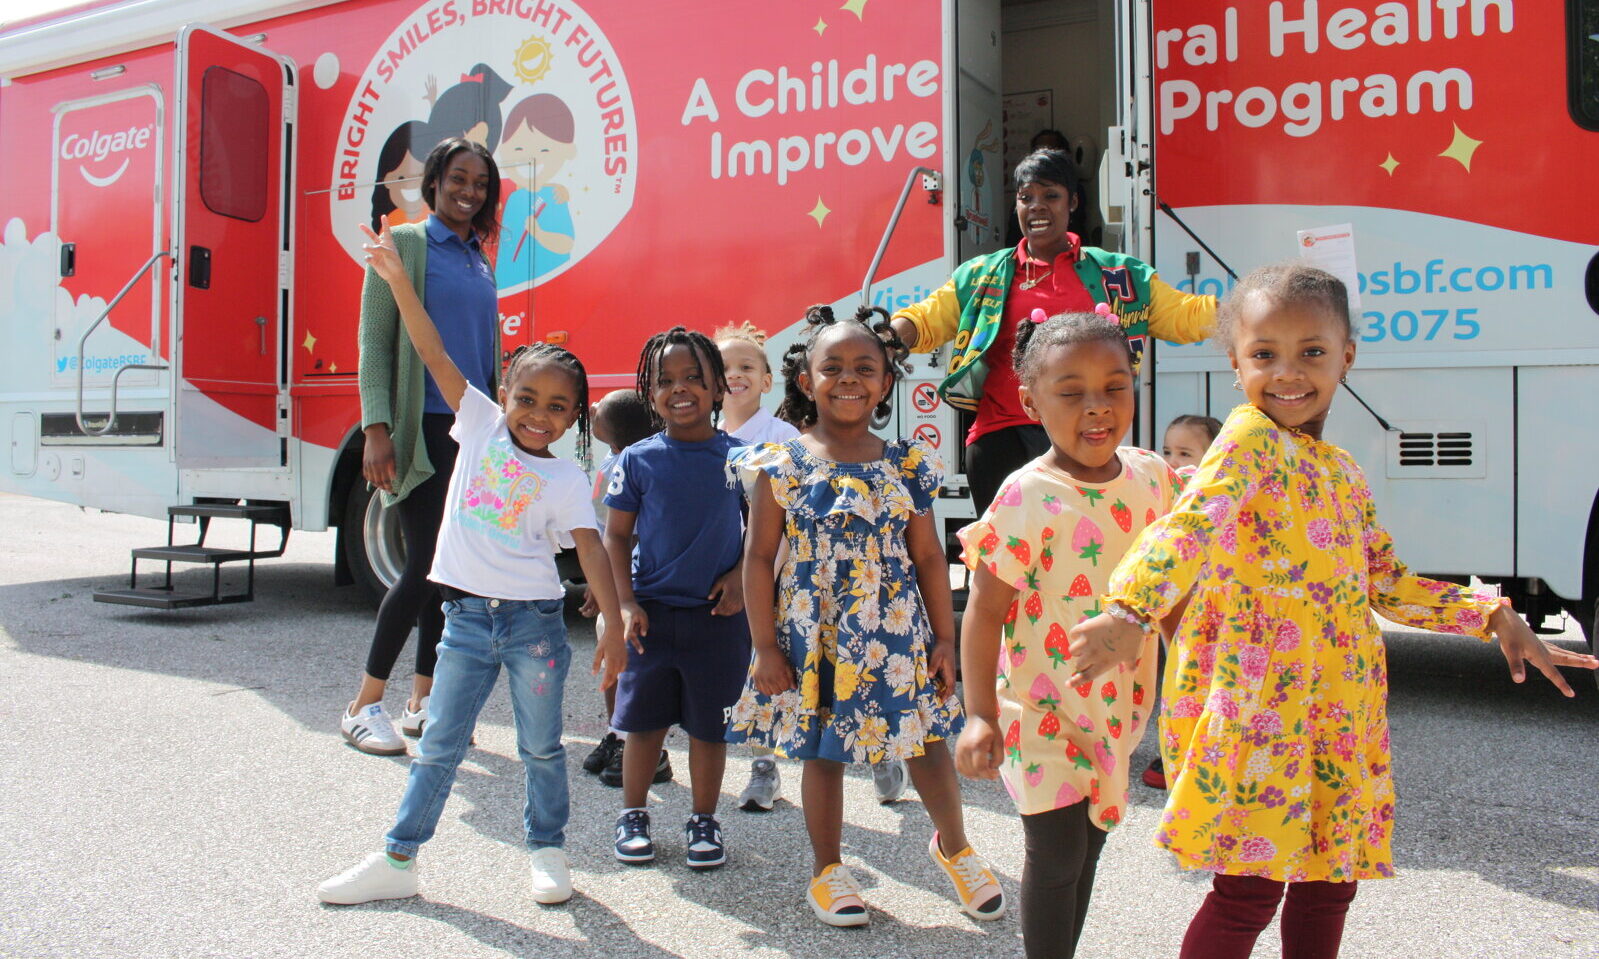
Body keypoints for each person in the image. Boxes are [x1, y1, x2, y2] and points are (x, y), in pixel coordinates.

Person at [1068, 264, 1599, 959]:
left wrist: (1490, 614)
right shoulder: (1248, 441)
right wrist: (1129, 609)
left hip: (1340, 713)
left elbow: (1388, 583)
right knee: (1248, 892)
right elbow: (1186, 525)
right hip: (1260, 712)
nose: (1287, 372)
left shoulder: (1341, 471)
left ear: (1346, 355)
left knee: (1329, 881)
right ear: (1235, 363)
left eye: (1311, 351)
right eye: (1264, 354)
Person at [318, 216, 626, 908]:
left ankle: (546, 850)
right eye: (525, 397)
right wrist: (398, 281)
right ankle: (399, 858)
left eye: (555, 406)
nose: (536, 415)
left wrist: (612, 621)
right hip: (462, 624)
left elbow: (590, 548)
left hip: (534, 629)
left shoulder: (567, 480)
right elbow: (430, 352)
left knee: (542, 750)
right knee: (439, 747)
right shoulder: (480, 421)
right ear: (504, 392)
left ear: (576, 415)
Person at [726, 305, 1005, 928]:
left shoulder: (905, 465)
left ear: (885, 383)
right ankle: (828, 870)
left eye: (864, 368)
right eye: (833, 367)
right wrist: (765, 646)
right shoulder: (783, 463)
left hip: (896, 635)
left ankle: (954, 847)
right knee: (823, 751)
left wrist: (944, 639)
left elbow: (931, 557)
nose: (848, 378)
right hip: (815, 640)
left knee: (926, 742)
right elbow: (759, 558)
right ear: (806, 381)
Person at [955, 306, 1181, 958]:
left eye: (1113, 386)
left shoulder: (1152, 479)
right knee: (1054, 855)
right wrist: (978, 717)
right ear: (1029, 400)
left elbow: (1170, 590)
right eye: (1071, 391)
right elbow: (983, 611)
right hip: (1037, 710)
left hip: (1115, 710)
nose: (1097, 407)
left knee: (1088, 848)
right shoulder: (1024, 496)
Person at [890, 148, 1217, 515]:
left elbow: (1187, 316)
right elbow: (927, 318)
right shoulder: (983, 274)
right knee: (1006, 564)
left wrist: (1254, 312)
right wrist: (888, 337)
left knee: (1084, 555)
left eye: (1051, 196)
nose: (1037, 206)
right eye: (1026, 197)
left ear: (1073, 202)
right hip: (1001, 436)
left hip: (1088, 435)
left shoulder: (1120, 275)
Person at [342, 138, 503, 756]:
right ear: (433, 181)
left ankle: (422, 701)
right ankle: (362, 705)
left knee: (452, 571)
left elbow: (480, 354)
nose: (470, 191)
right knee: (423, 569)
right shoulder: (405, 244)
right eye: (459, 178)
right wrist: (375, 427)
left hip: (472, 430)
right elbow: (374, 341)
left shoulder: (477, 256)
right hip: (423, 428)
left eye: (481, 184)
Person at [604, 328, 749, 870]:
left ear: (718, 389)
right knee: (644, 727)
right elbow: (616, 537)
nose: (679, 390)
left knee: (710, 729)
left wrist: (738, 576)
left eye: (694, 378)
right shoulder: (637, 460)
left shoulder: (742, 458)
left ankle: (704, 820)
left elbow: (766, 534)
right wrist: (623, 605)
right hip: (651, 615)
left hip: (719, 619)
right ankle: (633, 814)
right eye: (665, 381)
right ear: (649, 391)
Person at [578, 389, 673, 789]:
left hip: (632, 581)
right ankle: (619, 733)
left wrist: (617, 590)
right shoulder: (611, 460)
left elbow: (628, 536)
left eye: (600, 414)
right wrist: (595, 584)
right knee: (611, 655)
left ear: (614, 434)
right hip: (611, 580)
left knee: (632, 662)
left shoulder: (630, 466)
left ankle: (650, 749)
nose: (593, 410)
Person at [1142, 412, 1223, 790]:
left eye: (1185, 453)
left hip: (1208, 605)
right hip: (1175, 603)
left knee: (1202, 680)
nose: (1173, 462)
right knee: (1179, 676)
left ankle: (1198, 752)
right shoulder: (1166, 490)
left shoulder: (1210, 490)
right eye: (1167, 451)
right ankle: (1177, 748)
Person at [495, 93, 578, 290]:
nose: (531, 158)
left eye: (544, 151)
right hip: (507, 283)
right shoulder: (514, 197)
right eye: (518, 149)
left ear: (567, 150)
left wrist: (539, 234)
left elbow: (566, 243)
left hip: (549, 282)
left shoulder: (554, 196)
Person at [369, 121, 430, 233]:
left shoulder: (440, 219)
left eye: (421, 176)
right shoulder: (390, 224)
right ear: (386, 180)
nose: (411, 184)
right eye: (401, 178)